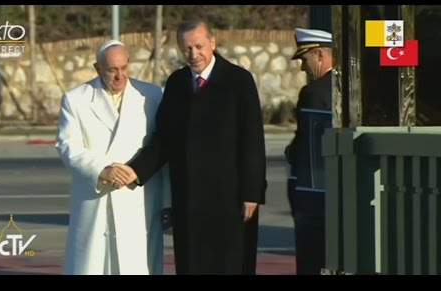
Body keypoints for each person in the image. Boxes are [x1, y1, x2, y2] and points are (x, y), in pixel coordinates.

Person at [118, 19, 267, 275]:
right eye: (187, 48)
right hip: (189, 197)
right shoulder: (177, 83)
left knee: (230, 264)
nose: (194, 54)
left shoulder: (238, 81)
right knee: (192, 263)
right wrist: (135, 170)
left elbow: (252, 139)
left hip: (229, 198)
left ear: (212, 43)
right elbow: (164, 138)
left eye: (199, 46)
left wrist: (252, 193)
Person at [55, 39, 170, 275]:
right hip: (96, 197)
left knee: (136, 265)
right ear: (98, 69)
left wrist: (166, 199)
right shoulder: (75, 99)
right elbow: (67, 146)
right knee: (94, 264)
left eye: (124, 68)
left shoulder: (151, 95)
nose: (120, 76)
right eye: (112, 70)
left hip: (138, 199)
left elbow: (162, 146)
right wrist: (102, 169)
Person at [284, 28, 333, 275]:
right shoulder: (349, 87)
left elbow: (306, 146)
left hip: (314, 192)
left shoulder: (314, 92)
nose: (303, 68)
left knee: (311, 260)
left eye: (305, 60)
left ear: (320, 55)